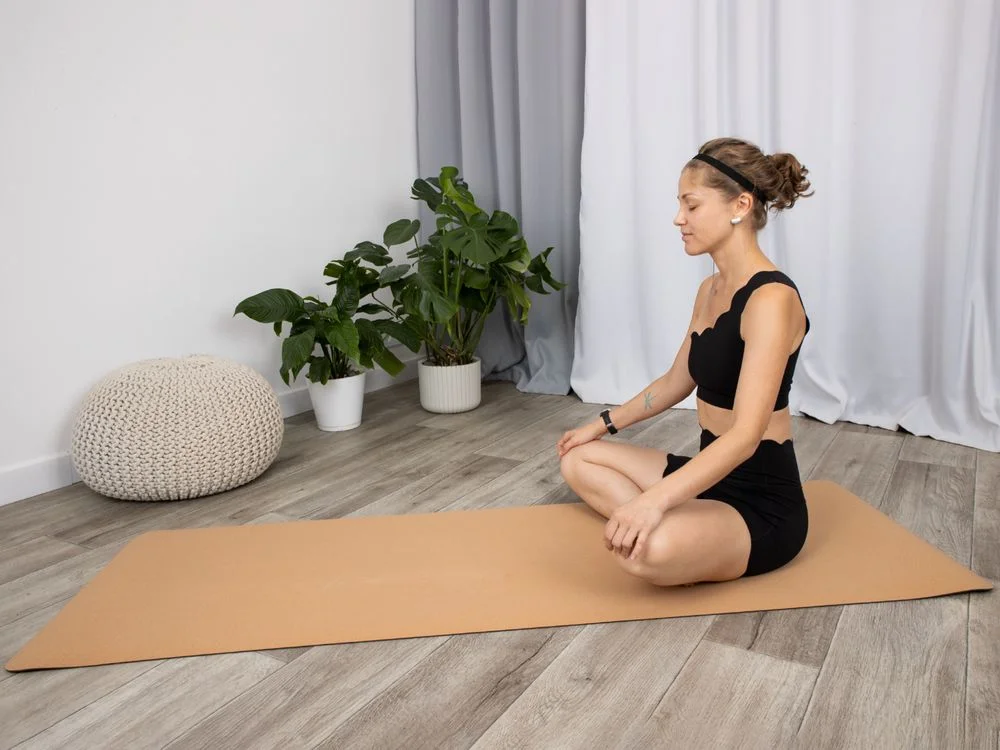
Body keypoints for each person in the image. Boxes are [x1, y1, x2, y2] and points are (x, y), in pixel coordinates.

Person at [557, 137, 815, 586]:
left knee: (647, 555)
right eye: (680, 205)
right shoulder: (709, 290)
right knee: (578, 460)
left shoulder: (772, 300)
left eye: (691, 205)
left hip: (760, 503)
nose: (679, 218)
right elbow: (676, 381)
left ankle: (662, 523)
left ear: (740, 205)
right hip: (708, 474)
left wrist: (651, 502)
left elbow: (745, 437)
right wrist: (600, 424)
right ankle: (673, 518)